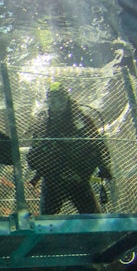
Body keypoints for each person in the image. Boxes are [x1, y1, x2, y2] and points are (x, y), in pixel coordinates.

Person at [25, 82, 112, 215]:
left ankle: (96, 235)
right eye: (53, 101)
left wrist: (104, 167)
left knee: (92, 216)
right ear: (48, 103)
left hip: (78, 178)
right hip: (54, 179)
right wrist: (46, 168)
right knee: (47, 219)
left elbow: (98, 145)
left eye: (60, 100)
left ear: (67, 100)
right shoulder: (42, 124)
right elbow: (33, 155)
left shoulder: (81, 121)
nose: (57, 105)